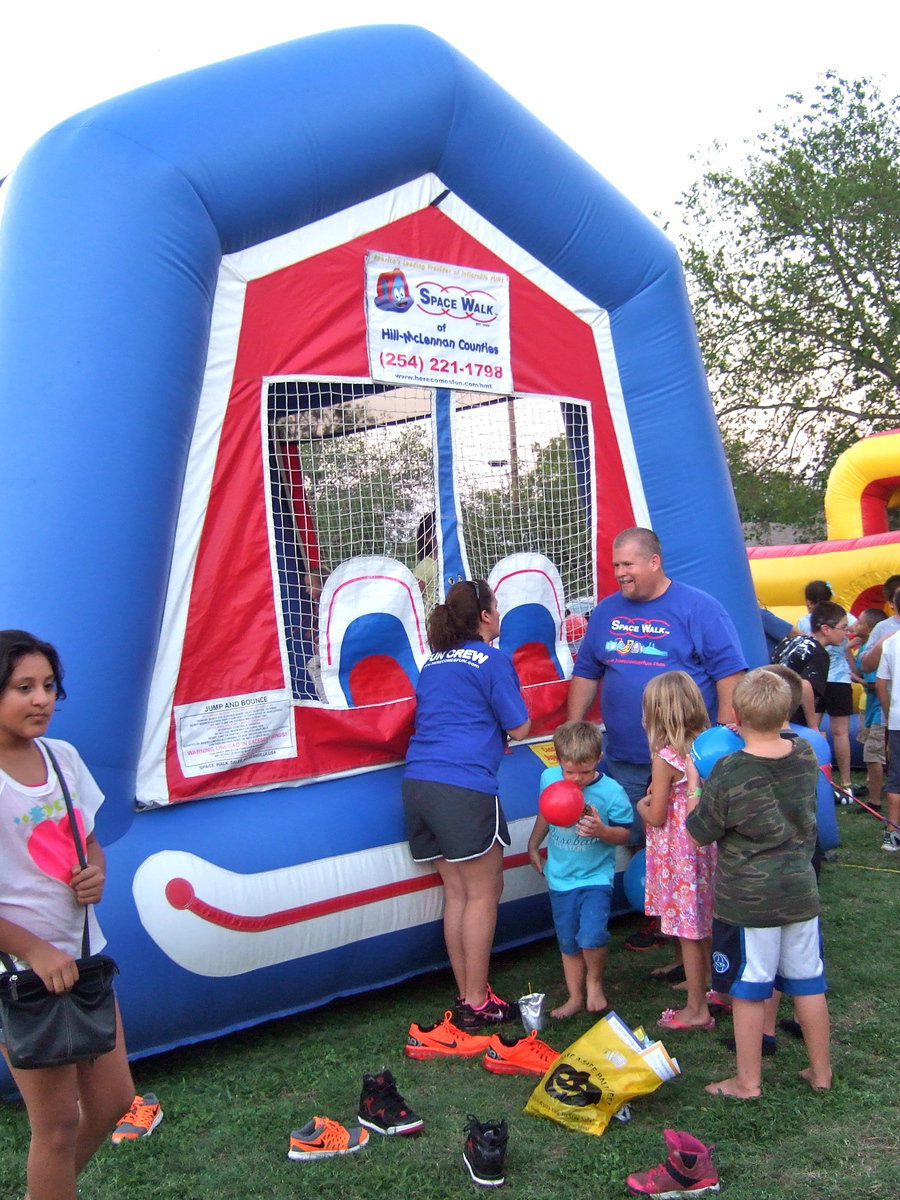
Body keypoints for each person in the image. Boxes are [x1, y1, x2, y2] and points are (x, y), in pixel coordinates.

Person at [0, 630, 136, 1200]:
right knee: (54, 1126)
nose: (42, 700)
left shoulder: (65, 758)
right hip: (21, 974)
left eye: (50, 686)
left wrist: (95, 870)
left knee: (112, 1101)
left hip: (82, 959)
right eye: (23, 687)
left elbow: (90, 840)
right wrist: (32, 949)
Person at [686, 669, 832, 1099]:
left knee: (750, 989)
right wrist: (757, 724)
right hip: (800, 891)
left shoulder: (729, 770)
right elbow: (776, 741)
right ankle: (821, 1072)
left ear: (734, 713)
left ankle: (748, 1082)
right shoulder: (805, 752)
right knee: (808, 981)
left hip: (751, 902)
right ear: (787, 711)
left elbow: (699, 832)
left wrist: (696, 786)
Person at [403, 580, 531, 1028]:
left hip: (419, 781)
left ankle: (468, 997)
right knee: (482, 894)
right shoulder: (492, 660)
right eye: (495, 607)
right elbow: (519, 726)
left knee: (457, 893)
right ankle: (477, 1003)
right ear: (484, 615)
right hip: (464, 785)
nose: (499, 615)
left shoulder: (432, 663)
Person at [567, 528, 746, 837]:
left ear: (653, 562)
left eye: (627, 565)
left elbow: (729, 673)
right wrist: (573, 727)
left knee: (691, 837)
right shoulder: (606, 611)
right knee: (636, 836)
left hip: (685, 757)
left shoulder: (700, 607)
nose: (620, 574)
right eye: (616, 566)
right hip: (627, 757)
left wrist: (718, 740)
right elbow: (586, 672)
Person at [527, 721, 631, 1018]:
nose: (576, 779)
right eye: (569, 771)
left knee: (592, 934)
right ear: (557, 760)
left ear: (599, 758)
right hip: (560, 877)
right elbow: (547, 813)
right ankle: (574, 997)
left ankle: (594, 983)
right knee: (569, 940)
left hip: (596, 876)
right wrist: (534, 845)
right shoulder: (549, 778)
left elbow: (626, 834)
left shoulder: (611, 792)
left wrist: (601, 831)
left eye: (584, 772)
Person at [637, 671, 717, 1032]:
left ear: (656, 711)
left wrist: (643, 804)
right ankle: (716, 985)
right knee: (706, 919)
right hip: (706, 846)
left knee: (688, 930)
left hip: (679, 854)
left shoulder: (665, 757)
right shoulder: (709, 744)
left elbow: (656, 817)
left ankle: (696, 1008)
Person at [795, 582, 859, 799]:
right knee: (841, 733)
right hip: (839, 679)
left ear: (808, 602)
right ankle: (846, 781)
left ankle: (820, 778)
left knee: (811, 730)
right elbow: (861, 630)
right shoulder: (846, 617)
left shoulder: (806, 621)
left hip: (816, 684)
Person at [771, 601, 848, 729]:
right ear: (826, 629)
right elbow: (805, 685)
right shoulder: (818, 653)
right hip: (792, 720)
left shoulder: (790, 642)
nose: (846, 634)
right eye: (843, 628)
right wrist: (813, 726)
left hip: (772, 714)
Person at [852, 608, 888, 814]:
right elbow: (859, 670)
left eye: (860, 622)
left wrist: (857, 681)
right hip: (870, 708)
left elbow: (875, 683)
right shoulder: (865, 647)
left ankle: (875, 801)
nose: (855, 625)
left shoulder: (879, 649)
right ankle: (873, 790)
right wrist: (848, 651)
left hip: (877, 710)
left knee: (873, 755)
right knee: (871, 752)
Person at [874, 630, 900, 852]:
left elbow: (881, 684)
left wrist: (890, 711)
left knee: (896, 778)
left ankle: (892, 833)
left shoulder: (892, 641)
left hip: (898, 720)